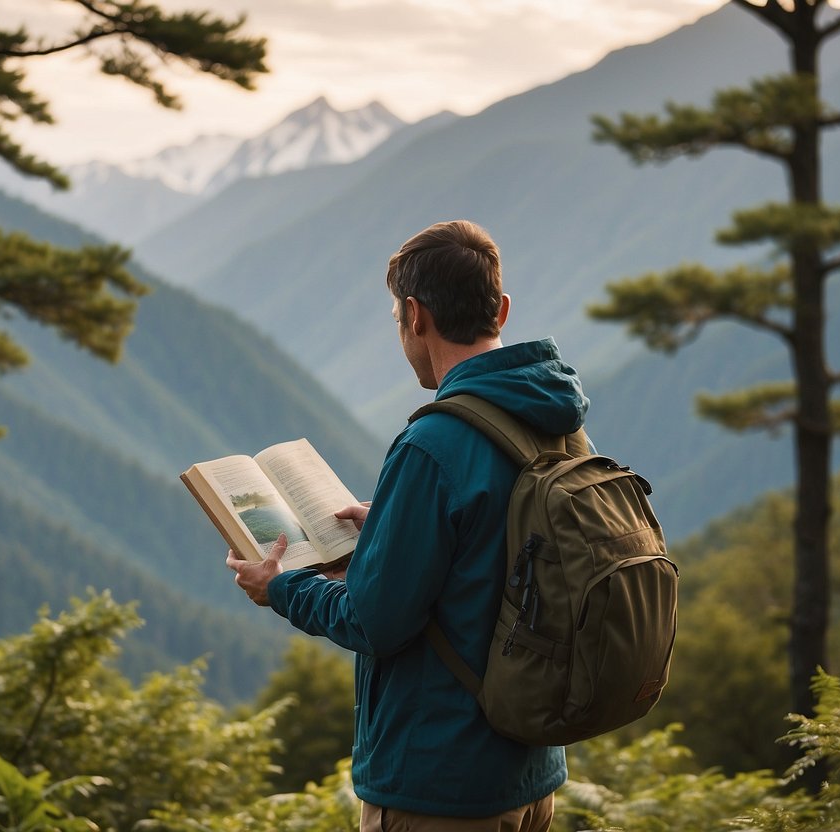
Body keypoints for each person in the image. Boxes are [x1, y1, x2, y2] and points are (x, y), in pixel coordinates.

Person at [227, 219, 588, 831]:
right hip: (530, 772)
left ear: (416, 316)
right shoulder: (557, 422)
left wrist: (281, 588)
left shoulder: (434, 443)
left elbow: (374, 621)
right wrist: (390, 528)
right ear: (500, 309)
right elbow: (500, 551)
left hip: (438, 783)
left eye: (399, 319)